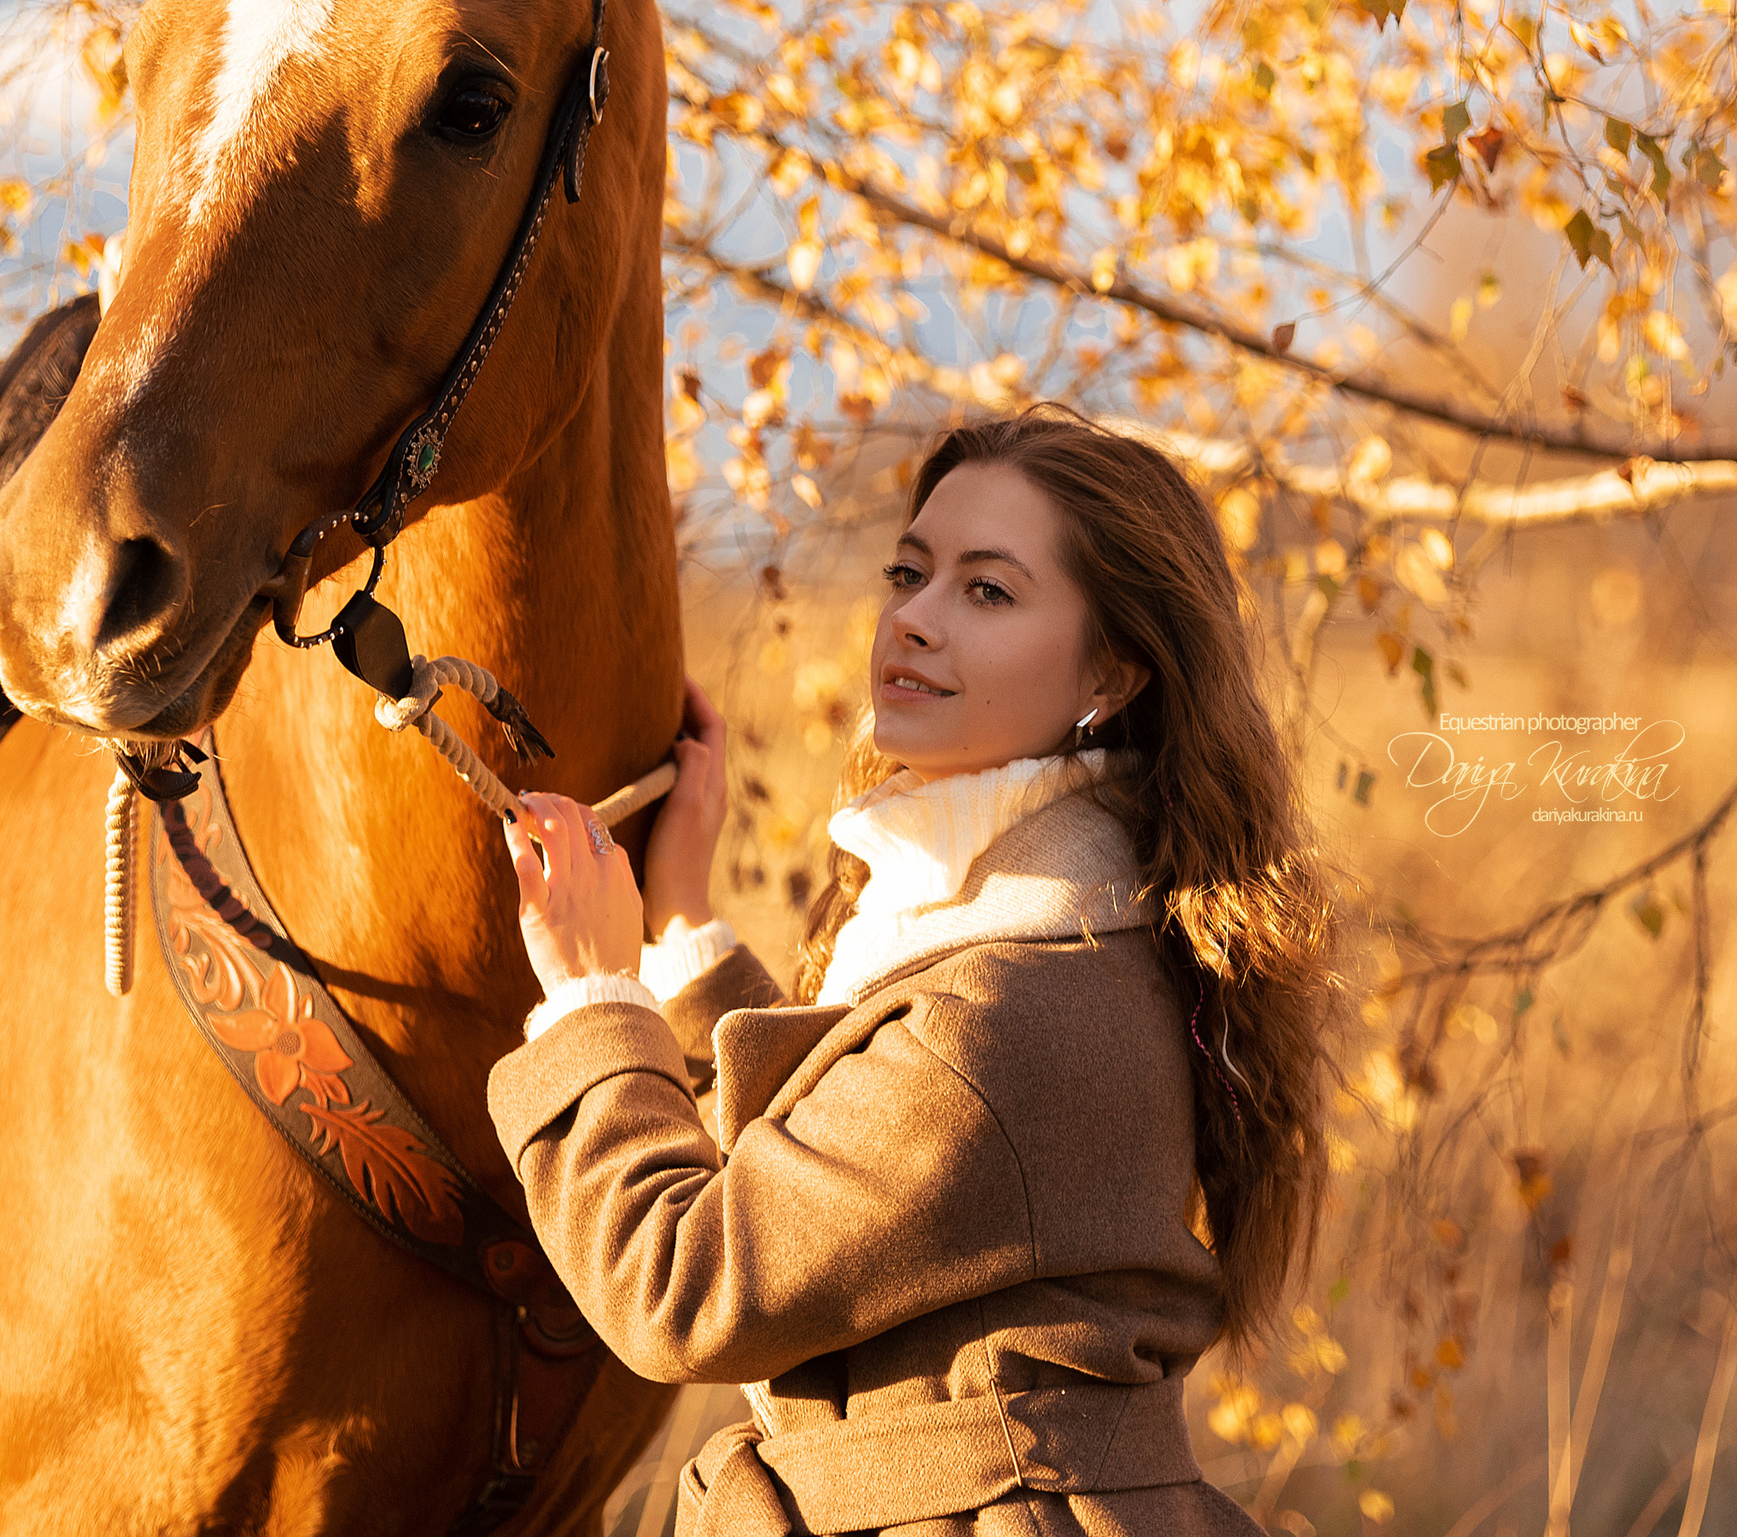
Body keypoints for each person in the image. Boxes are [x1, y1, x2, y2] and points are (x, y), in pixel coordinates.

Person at [490, 406, 1345, 1537]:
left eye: (986, 591)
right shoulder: (1078, 924)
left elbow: (687, 1285)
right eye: (911, 571)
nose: (913, 620)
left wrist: (594, 996)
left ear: (1115, 668)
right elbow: (844, 1153)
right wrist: (683, 922)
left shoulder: (1004, 1007)